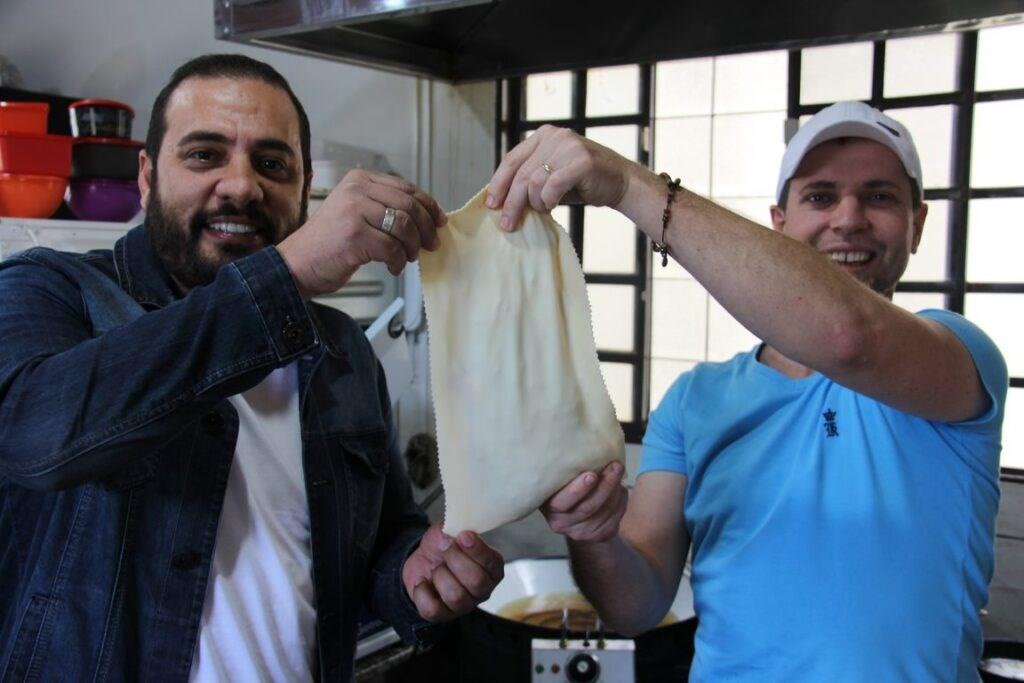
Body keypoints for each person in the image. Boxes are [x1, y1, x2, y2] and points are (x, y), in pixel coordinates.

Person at [0, 53, 503, 682]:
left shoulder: (344, 352)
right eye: (205, 155)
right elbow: (35, 436)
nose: (242, 185)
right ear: (148, 177)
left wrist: (414, 577)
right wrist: (286, 276)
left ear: (303, 189)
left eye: (272, 164)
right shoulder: (48, 291)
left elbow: (379, 544)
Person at [488, 101, 1009, 681]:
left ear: (918, 223)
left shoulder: (958, 359)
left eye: (880, 196)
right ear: (777, 224)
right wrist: (592, 533)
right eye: (820, 196)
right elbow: (635, 605)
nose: (849, 217)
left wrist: (628, 184)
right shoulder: (696, 399)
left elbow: (849, 337)